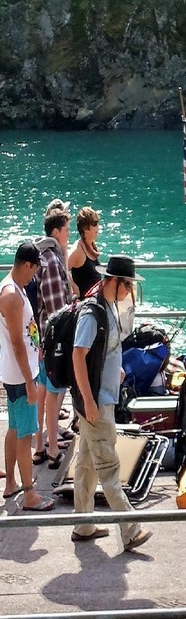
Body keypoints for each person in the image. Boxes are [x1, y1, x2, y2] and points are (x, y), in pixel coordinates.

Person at [70, 254, 151, 550]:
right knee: (109, 468)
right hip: (96, 403)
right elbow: (78, 355)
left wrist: (113, 367)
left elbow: (101, 349)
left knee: (87, 464)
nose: (130, 290)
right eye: (128, 284)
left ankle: (82, 524)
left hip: (98, 399)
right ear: (114, 282)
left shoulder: (108, 308)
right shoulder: (93, 313)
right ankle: (130, 529)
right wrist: (90, 401)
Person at [1, 243, 54, 512]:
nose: (35, 276)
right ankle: (29, 493)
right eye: (35, 270)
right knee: (25, 435)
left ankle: (11, 482)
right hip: (21, 377)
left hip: (20, 373)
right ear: (28, 266)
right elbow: (16, 343)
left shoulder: (15, 289)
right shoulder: (11, 294)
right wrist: (30, 381)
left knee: (14, 428)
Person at [34, 208, 73, 467]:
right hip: (52, 338)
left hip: (43, 338)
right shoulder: (51, 260)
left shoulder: (44, 257)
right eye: (67, 231)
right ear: (56, 232)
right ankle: (50, 449)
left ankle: (41, 444)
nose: (69, 236)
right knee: (53, 391)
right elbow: (56, 308)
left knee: (44, 390)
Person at [68, 206, 102, 297]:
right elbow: (62, 268)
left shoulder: (91, 246)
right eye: (94, 224)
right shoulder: (78, 249)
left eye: (97, 223)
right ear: (85, 228)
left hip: (95, 304)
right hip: (84, 306)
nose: (98, 227)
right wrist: (73, 287)